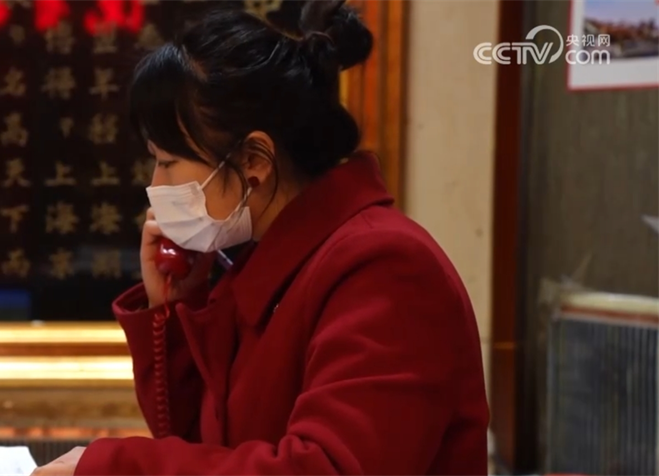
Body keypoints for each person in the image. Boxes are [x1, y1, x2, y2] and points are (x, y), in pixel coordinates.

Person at [31, 0, 489, 474]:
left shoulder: (383, 267)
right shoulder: (262, 261)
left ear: (254, 161)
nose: (156, 184)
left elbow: (327, 467)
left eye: (168, 162)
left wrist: (111, 467)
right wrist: (174, 307)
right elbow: (205, 448)